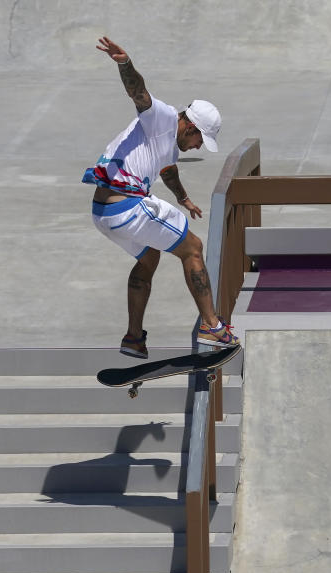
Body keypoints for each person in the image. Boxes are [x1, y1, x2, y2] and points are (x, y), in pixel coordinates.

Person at [83, 36, 238, 358]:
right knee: (192, 248)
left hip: (103, 211)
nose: (197, 147)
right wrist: (125, 63)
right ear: (189, 126)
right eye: (199, 140)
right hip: (126, 206)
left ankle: (133, 337)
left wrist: (184, 200)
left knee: (149, 257)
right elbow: (137, 93)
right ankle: (212, 326)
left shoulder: (168, 145)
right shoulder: (163, 118)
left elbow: (167, 171)